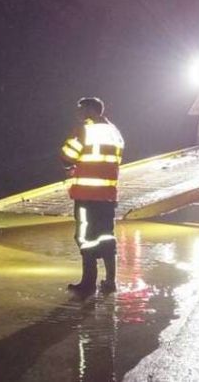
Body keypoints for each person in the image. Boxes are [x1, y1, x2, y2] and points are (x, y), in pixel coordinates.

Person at [59, 97, 124, 293]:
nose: (78, 113)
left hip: (87, 194)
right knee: (106, 235)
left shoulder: (85, 130)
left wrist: (70, 167)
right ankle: (110, 281)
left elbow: (66, 157)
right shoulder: (114, 132)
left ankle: (88, 284)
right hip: (108, 194)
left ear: (90, 110)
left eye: (80, 109)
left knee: (86, 237)